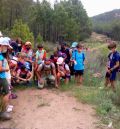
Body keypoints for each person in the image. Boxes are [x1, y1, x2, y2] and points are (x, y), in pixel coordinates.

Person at [0, 37, 11, 120]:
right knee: (7, 92)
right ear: (2, 45)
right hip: (2, 77)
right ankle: (3, 112)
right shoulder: (0, 56)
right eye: (6, 46)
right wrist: (6, 69)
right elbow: (0, 69)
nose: (6, 48)